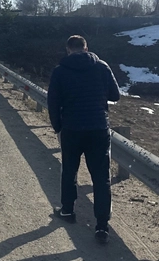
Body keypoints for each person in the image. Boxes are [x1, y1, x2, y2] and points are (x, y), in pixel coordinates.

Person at [47, 35, 120, 244]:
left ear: (68, 49)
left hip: (71, 129)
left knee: (69, 170)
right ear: (86, 48)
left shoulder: (60, 71)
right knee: (101, 177)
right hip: (98, 128)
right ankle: (102, 226)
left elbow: (53, 102)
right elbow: (115, 96)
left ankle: (68, 210)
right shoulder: (102, 67)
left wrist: (58, 127)